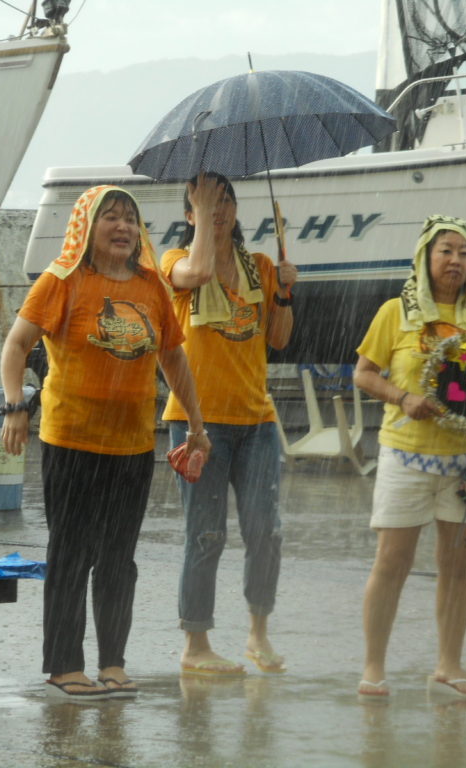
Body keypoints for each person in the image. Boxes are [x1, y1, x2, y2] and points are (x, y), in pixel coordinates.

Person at [0, 185, 210, 700]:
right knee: (71, 554)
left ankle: (113, 662)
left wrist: (197, 426)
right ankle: (64, 665)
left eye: (130, 219)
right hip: (71, 440)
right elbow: (17, 345)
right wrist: (15, 406)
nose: (123, 227)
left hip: (132, 445)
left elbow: (173, 358)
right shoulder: (62, 280)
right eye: (110, 217)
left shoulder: (151, 285)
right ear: (86, 227)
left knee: (119, 559)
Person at [354, 214, 466, 699]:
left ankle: (449, 665)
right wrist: (402, 398)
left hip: (465, 462)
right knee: (392, 562)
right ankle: (374, 668)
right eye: (446, 251)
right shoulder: (395, 312)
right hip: (406, 455)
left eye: (464, 253)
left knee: (458, 567)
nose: (455, 260)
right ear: (425, 257)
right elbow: (363, 373)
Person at [162, 172, 297, 678]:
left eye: (225, 200)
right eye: (204, 202)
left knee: (267, 531)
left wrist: (284, 291)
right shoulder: (175, 261)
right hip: (197, 422)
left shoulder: (259, 267)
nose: (218, 209)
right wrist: (203, 217)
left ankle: (258, 635)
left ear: (237, 209)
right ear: (189, 213)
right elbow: (197, 273)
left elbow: (278, 339)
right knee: (206, 534)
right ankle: (195, 644)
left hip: (256, 420)